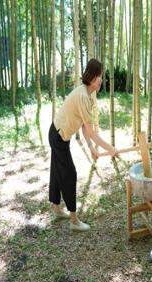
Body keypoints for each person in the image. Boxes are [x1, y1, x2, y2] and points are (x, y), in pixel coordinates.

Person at [48, 58, 118, 232]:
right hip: (58, 136)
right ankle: (73, 219)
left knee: (57, 171)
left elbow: (85, 126)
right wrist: (110, 149)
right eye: (98, 77)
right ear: (91, 77)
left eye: (101, 76)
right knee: (69, 174)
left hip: (59, 134)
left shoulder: (88, 93)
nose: (100, 80)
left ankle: (56, 208)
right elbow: (92, 132)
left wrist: (90, 146)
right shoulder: (82, 96)